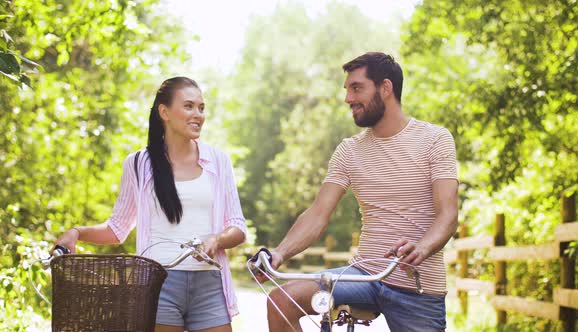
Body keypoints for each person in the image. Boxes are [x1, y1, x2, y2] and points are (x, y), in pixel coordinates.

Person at [263, 52, 459, 332]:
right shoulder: (349, 150)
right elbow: (318, 213)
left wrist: (423, 247)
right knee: (281, 300)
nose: (348, 99)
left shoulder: (435, 140)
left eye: (357, 88)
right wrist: (279, 253)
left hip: (417, 286)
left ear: (386, 88)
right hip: (362, 276)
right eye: (347, 90)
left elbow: (448, 215)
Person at [53, 77, 247, 332]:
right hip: (158, 283)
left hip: (209, 283)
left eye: (201, 107)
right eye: (188, 106)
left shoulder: (219, 161)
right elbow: (117, 229)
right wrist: (78, 232)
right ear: (164, 112)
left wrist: (217, 240)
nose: (198, 114)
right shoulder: (138, 164)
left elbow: (238, 226)